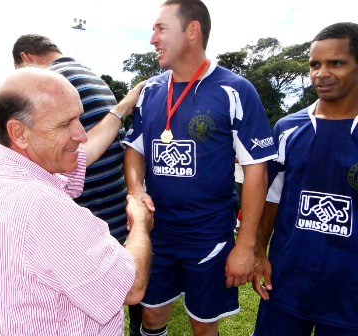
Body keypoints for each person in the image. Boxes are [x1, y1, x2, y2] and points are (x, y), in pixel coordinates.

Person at [122, 1, 277, 335]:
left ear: (192, 31)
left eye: (161, 28)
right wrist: (136, 191)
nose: (152, 39)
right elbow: (134, 151)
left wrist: (246, 246)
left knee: (203, 326)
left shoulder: (234, 90)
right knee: (150, 317)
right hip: (157, 234)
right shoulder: (149, 91)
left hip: (208, 236)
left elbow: (255, 171)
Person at [0, 66, 153, 335]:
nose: (81, 134)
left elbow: (86, 150)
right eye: (66, 124)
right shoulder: (42, 206)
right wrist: (140, 226)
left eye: (79, 119)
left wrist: (123, 107)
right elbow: (131, 286)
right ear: (19, 132)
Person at [12, 33, 143, 335]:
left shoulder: (47, 85)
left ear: (25, 60)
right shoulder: (94, 77)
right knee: (128, 280)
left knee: (93, 298)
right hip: (116, 204)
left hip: (81, 214)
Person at [252, 22, 358, 336]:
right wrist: (259, 252)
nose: (321, 73)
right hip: (286, 283)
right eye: (315, 64)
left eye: (335, 63)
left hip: (350, 295)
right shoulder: (287, 128)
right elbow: (270, 197)